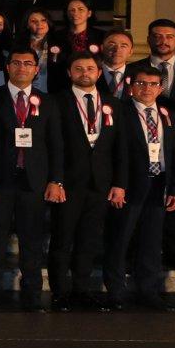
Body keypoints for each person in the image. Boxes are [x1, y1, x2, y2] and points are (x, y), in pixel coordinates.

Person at [0, 48, 58, 311]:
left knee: (32, 241)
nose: (22, 68)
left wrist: (56, 180)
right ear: (8, 67)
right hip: (0, 180)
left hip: (34, 181)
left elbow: (55, 145)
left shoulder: (48, 102)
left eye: (28, 64)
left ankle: (32, 295)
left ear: (37, 69)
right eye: (16, 63)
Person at [48, 53, 125, 312]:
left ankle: (82, 289)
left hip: (100, 183)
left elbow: (120, 149)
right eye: (78, 68)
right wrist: (55, 179)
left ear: (99, 72)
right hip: (68, 182)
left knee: (89, 240)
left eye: (90, 68)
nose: (85, 72)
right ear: (69, 73)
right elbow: (53, 145)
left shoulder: (113, 103)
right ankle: (60, 292)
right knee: (62, 239)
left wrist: (119, 183)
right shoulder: (57, 102)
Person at [107, 65, 175, 311]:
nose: (147, 89)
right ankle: (115, 291)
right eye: (141, 83)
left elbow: (174, 153)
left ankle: (148, 291)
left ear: (160, 88)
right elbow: (115, 152)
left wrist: (174, 188)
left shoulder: (167, 113)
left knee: (151, 241)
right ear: (131, 87)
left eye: (152, 84)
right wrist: (118, 184)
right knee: (120, 239)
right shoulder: (120, 111)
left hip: (159, 183)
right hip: (129, 185)